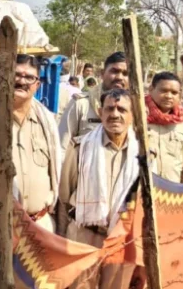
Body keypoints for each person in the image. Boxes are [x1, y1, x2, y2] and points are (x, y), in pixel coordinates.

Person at [58, 88, 138, 288]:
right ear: (101, 113)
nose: (115, 114)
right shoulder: (81, 148)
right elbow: (65, 197)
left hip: (123, 240)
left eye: (122, 109)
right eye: (109, 109)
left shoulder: (144, 154)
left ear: (133, 115)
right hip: (83, 237)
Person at [11, 55, 62, 232]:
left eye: (29, 77)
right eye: (16, 75)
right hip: (0, 226)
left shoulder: (47, 122)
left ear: (37, 85)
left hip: (41, 225)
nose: (21, 81)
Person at [59, 52, 128, 152]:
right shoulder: (81, 104)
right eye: (114, 71)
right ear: (102, 74)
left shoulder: (137, 110)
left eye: (125, 74)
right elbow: (62, 146)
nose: (119, 77)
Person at [146, 71, 183, 183]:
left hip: (171, 191)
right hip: (140, 189)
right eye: (163, 91)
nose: (169, 96)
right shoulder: (137, 118)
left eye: (174, 93)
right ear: (151, 89)